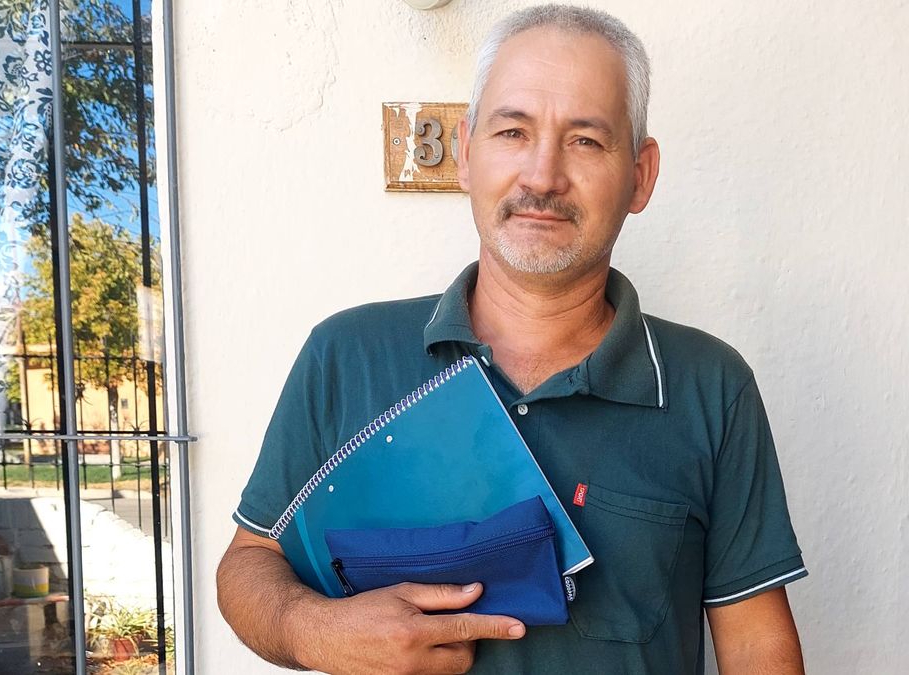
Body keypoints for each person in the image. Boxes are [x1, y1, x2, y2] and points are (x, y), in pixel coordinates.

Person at [217, 5, 807, 673]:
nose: (542, 176)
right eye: (513, 131)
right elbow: (250, 561)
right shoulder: (345, 354)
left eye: (586, 140)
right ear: (466, 153)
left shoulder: (711, 386)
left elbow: (757, 643)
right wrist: (312, 629)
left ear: (640, 175)